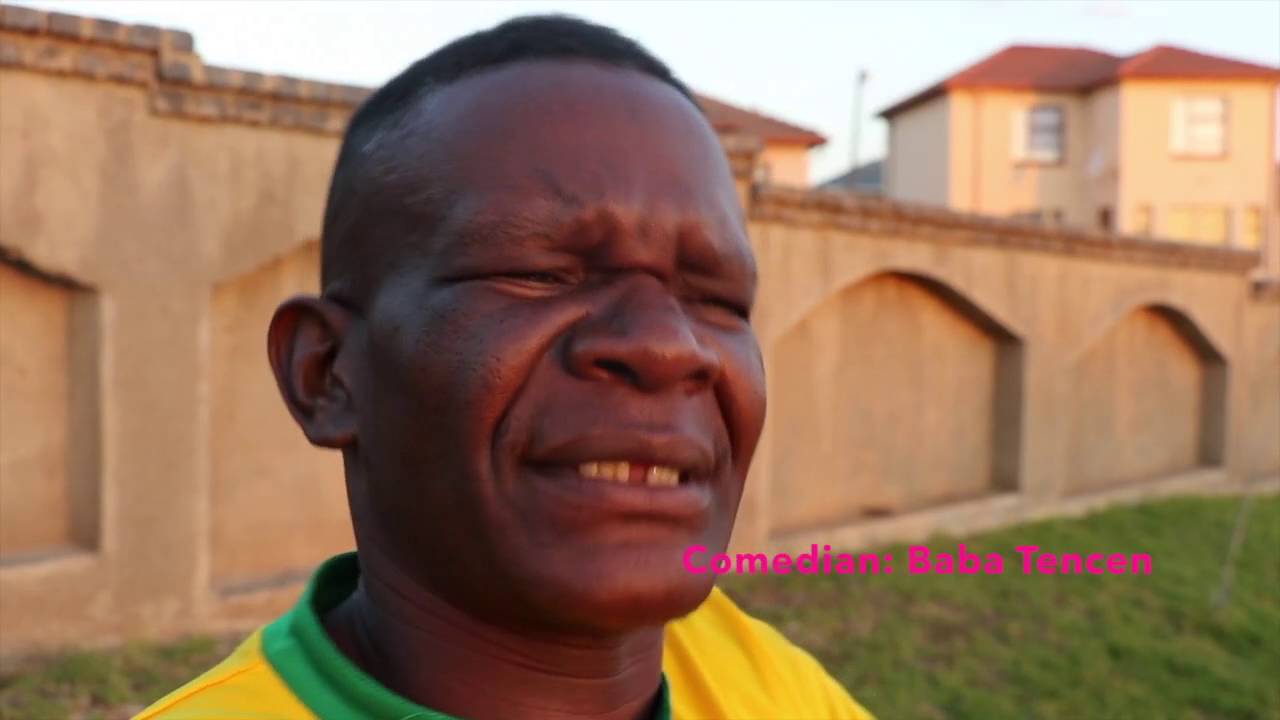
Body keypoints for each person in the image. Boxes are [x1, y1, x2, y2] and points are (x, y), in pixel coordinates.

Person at [138, 15, 873, 720]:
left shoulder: (761, 679)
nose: (668, 346)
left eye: (717, 300)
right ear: (327, 373)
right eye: (537, 274)